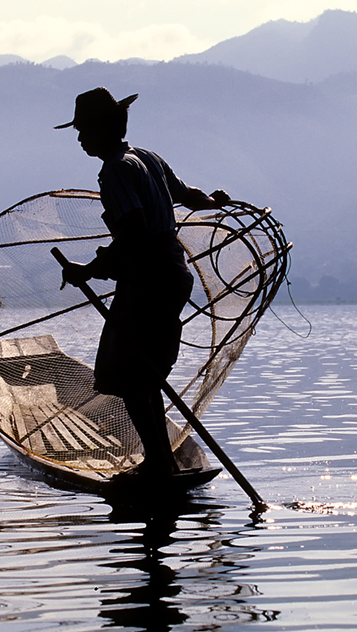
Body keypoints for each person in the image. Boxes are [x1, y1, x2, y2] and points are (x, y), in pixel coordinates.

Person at [55, 87, 229, 476]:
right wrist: (214, 202)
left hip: (149, 279)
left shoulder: (116, 170)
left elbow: (133, 233)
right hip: (172, 274)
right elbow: (189, 196)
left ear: (103, 129)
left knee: (129, 372)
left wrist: (88, 269)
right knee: (146, 369)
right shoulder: (147, 158)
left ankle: (158, 464)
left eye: (84, 130)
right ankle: (161, 460)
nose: (80, 139)